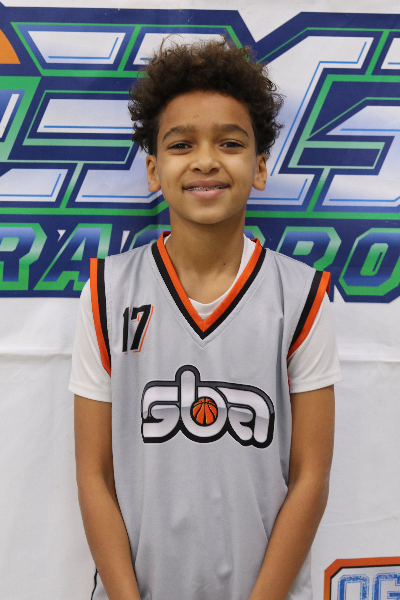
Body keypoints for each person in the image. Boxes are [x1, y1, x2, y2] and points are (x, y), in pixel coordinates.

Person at [70, 38, 341, 600]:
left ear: (259, 166)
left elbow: (311, 477)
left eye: (230, 142)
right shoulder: (107, 292)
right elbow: (94, 474)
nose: (206, 161)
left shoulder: (301, 296)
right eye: (181, 144)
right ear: (153, 170)